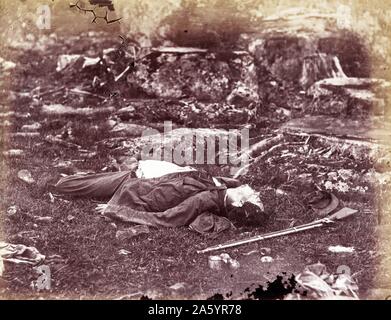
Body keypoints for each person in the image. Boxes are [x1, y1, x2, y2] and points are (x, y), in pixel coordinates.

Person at [54, 159, 267, 232]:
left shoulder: (205, 200)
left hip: (133, 185)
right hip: (147, 175)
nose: (255, 192)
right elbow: (234, 185)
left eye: (254, 197)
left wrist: (115, 210)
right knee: (86, 181)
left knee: (66, 185)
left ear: (238, 202)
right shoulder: (224, 188)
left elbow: (166, 219)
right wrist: (235, 186)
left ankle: (54, 182)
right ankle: (74, 177)